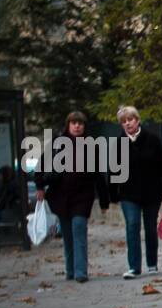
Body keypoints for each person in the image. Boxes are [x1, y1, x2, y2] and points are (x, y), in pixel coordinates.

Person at [35, 110, 110, 282]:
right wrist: (40, 186)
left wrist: (104, 200)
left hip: (82, 197)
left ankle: (80, 272)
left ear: (84, 126)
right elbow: (41, 166)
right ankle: (70, 270)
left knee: (78, 228)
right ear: (68, 125)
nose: (77, 126)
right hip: (60, 196)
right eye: (74, 123)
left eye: (80, 123)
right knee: (68, 235)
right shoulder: (57, 144)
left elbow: (98, 174)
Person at [112, 105, 162, 279]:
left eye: (130, 119)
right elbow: (114, 170)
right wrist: (113, 194)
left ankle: (152, 263)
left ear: (137, 120)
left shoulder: (152, 139)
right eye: (124, 121)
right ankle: (134, 267)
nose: (128, 123)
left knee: (150, 227)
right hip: (128, 194)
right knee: (132, 225)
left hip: (152, 192)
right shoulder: (119, 143)